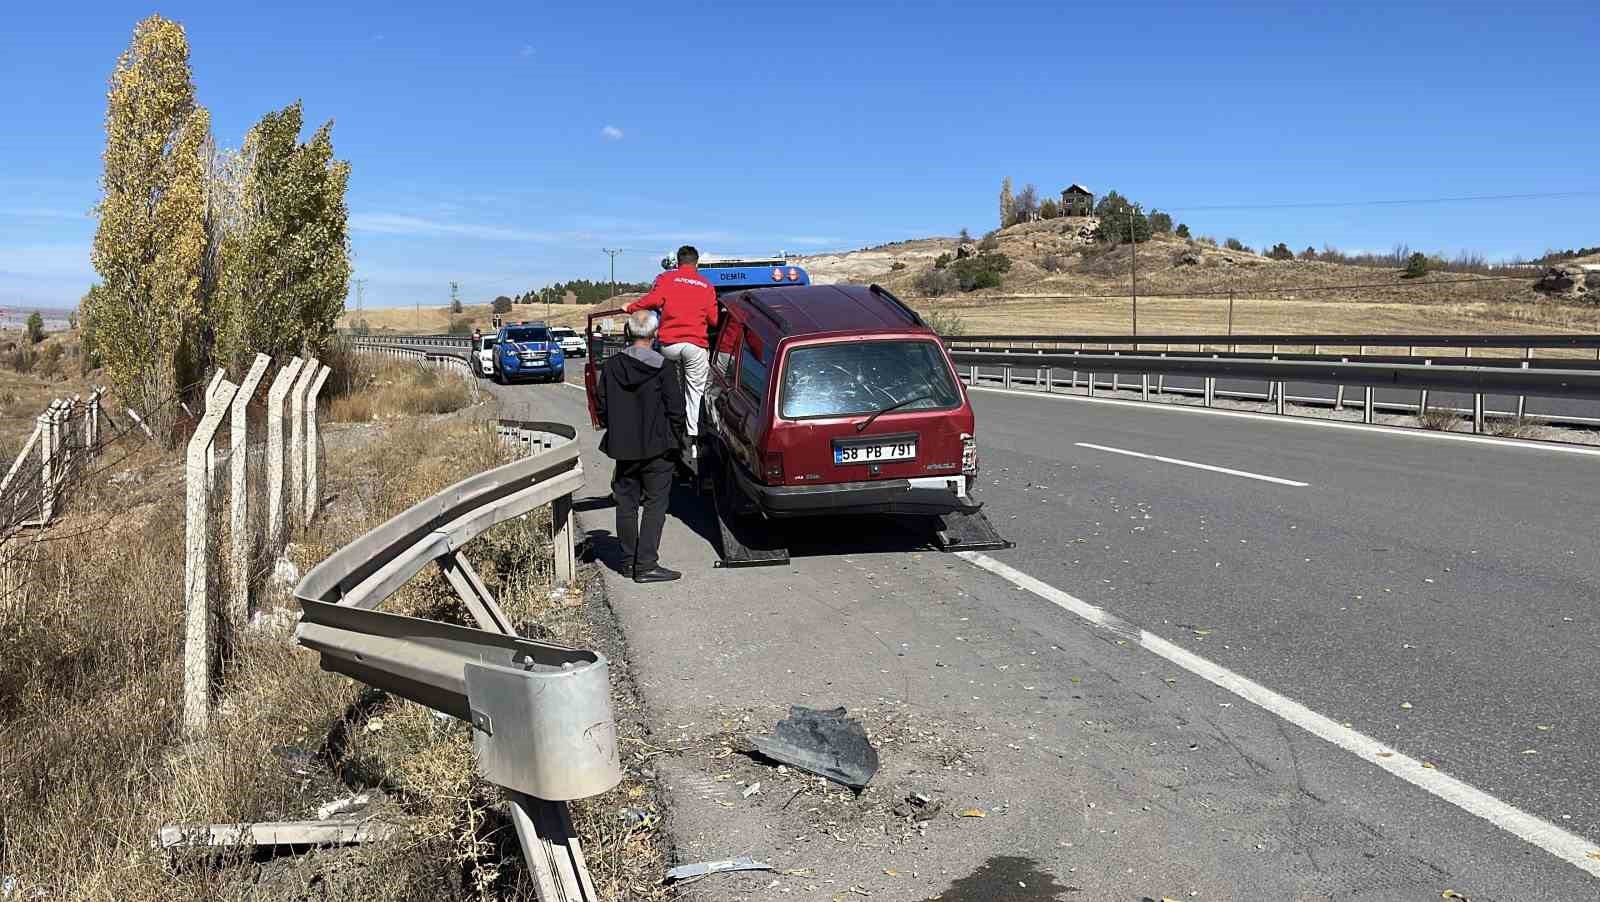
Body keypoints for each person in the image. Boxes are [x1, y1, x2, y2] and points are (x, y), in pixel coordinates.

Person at [595, 310, 686, 583]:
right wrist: (676, 440)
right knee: (656, 504)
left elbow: (601, 406)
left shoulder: (611, 367)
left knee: (626, 504)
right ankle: (646, 564)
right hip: (658, 448)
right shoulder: (663, 367)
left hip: (623, 448)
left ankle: (627, 561)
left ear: (626, 332)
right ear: (655, 334)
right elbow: (676, 409)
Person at [625, 245, 715, 455]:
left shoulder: (667, 279)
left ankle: (672, 432)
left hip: (670, 344)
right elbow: (713, 319)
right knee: (695, 390)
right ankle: (693, 440)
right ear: (696, 263)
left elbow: (651, 301)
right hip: (695, 344)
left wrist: (630, 307)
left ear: (677, 262)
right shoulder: (706, 286)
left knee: (671, 387)